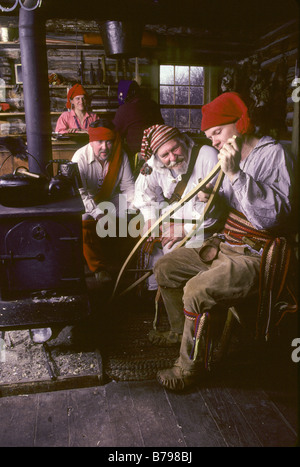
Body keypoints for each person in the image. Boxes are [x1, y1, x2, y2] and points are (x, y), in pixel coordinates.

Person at [153, 92, 297, 391]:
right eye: (209, 136)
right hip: (226, 243)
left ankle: (188, 369)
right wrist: (213, 200)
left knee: (196, 289)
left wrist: (234, 173)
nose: (214, 142)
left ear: (240, 123)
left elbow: (271, 219)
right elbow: (223, 214)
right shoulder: (228, 157)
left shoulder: (274, 155)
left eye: (217, 133)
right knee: (165, 267)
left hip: (255, 254)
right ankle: (181, 334)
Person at [133, 124, 227, 345]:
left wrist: (185, 229)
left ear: (183, 142)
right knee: (164, 263)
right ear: (157, 156)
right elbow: (143, 192)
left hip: (209, 230)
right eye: (164, 154)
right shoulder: (154, 165)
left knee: (177, 269)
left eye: (175, 149)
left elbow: (218, 208)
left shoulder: (207, 156)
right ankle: (179, 328)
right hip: (175, 226)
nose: (172, 158)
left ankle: (199, 331)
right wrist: (149, 218)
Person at [72, 118, 135, 281]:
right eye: (100, 142)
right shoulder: (79, 158)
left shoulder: (121, 155)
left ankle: (125, 262)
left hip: (111, 199)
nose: (104, 147)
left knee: (135, 217)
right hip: (87, 202)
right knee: (84, 220)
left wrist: (130, 212)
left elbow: (129, 188)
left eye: (109, 142)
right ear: (91, 141)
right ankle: (98, 268)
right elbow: (82, 194)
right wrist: (99, 215)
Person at [113, 80, 164, 173]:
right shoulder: (153, 104)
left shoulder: (124, 109)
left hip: (138, 156)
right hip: (159, 151)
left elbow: (115, 132)